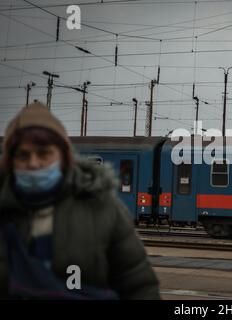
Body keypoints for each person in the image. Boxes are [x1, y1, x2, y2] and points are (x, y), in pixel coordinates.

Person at [0, 101, 160, 299]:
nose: (33, 163)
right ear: (9, 161)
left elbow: (138, 284)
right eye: (23, 155)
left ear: (64, 157)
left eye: (44, 153)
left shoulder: (103, 209)